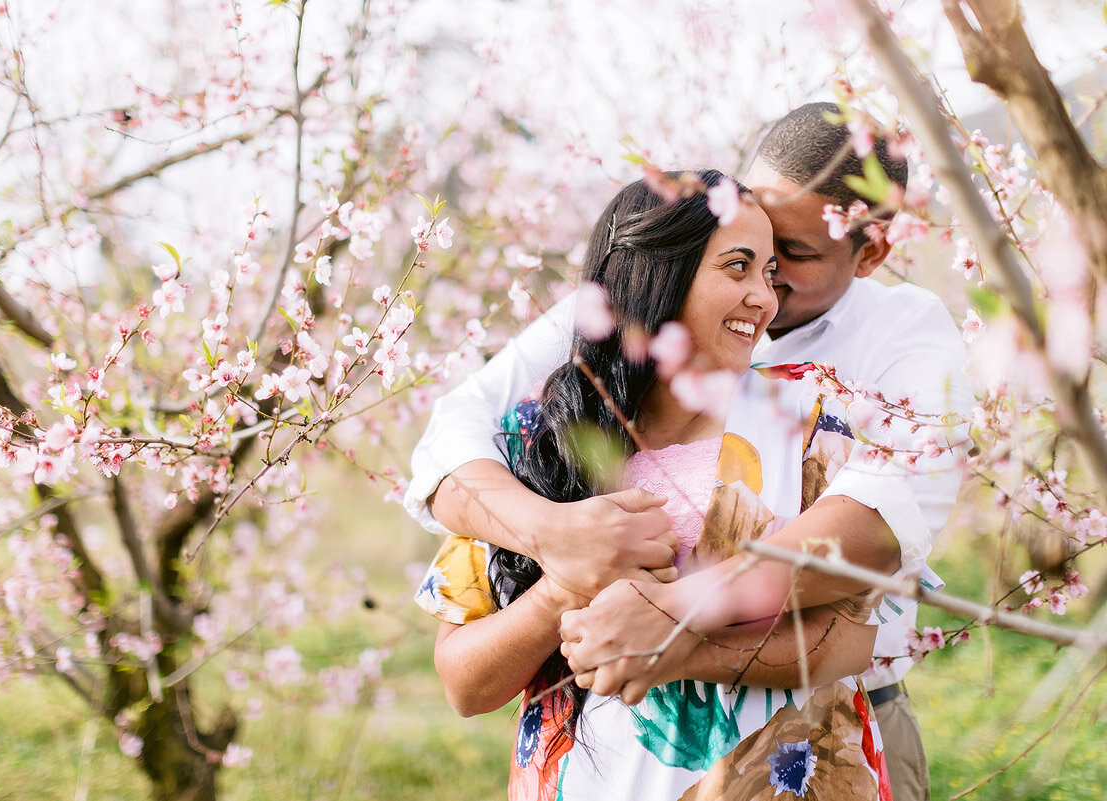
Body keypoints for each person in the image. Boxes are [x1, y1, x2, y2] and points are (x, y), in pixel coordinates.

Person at [407, 103, 969, 801]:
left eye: (785, 256)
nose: (766, 290)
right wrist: (560, 545)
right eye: (741, 248)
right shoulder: (566, 406)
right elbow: (456, 431)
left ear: (872, 250)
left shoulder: (880, 365)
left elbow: (872, 540)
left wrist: (678, 619)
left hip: (805, 734)